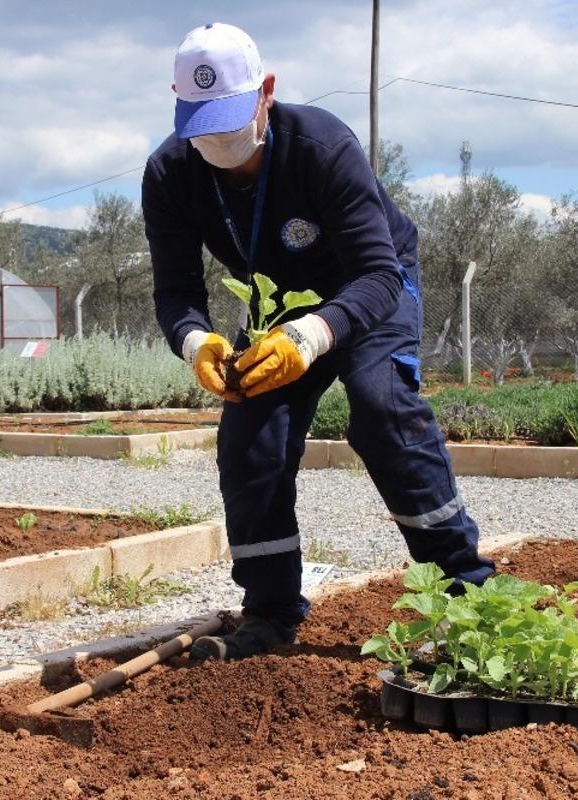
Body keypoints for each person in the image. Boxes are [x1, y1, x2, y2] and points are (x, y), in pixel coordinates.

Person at [142, 22, 495, 660]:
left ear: (266, 92)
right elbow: (175, 291)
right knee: (248, 439)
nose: (219, 144)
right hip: (279, 304)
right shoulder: (169, 173)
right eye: (202, 126)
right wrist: (196, 342)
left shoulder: (322, 147)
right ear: (177, 104)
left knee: (382, 406)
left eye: (230, 121)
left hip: (370, 285)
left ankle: (468, 596)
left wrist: (310, 337)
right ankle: (270, 613)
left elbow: (379, 274)